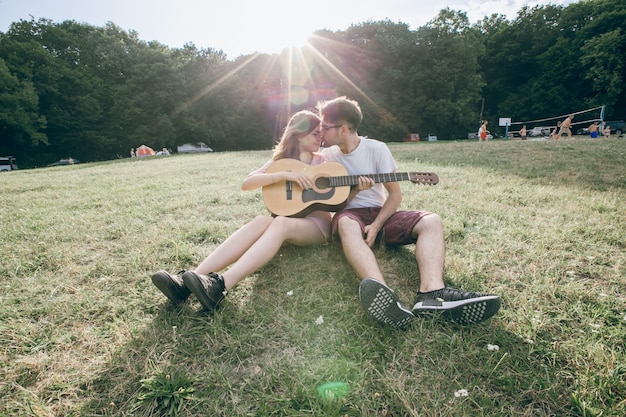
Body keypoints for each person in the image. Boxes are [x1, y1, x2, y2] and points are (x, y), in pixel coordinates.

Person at [317, 97, 501, 329]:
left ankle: (431, 293)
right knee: (346, 224)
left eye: (325, 126)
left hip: (380, 214)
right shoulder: (327, 157)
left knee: (431, 221)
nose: (321, 130)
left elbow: (395, 196)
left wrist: (376, 225)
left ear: (343, 129)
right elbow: (333, 207)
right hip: (349, 215)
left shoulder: (376, 149)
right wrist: (353, 192)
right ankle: (382, 295)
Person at [151, 110, 331, 311]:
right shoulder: (282, 162)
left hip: (316, 226)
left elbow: (337, 186)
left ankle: (221, 285)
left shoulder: (322, 161)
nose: (320, 138)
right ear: (299, 134)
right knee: (262, 220)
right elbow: (248, 183)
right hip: (288, 224)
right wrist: (284, 176)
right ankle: (184, 286)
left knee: (279, 221)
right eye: (315, 133)